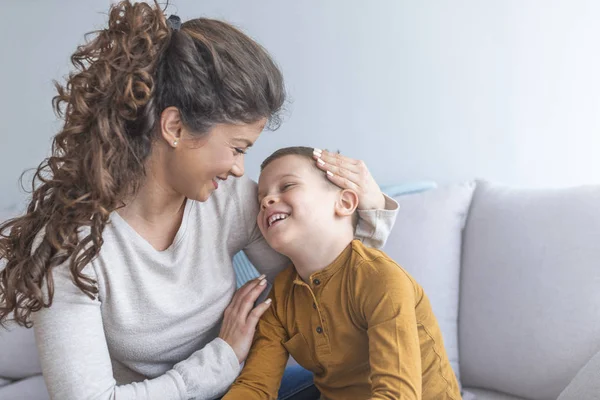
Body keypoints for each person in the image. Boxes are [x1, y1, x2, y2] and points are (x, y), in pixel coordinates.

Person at [0, 2, 399, 400]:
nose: (242, 170)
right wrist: (221, 357)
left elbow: (321, 292)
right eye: (238, 148)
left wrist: (371, 215)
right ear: (174, 127)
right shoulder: (72, 246)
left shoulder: (229, 201)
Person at [222, 147, 461, 400]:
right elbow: (255, 387)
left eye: (287, 186)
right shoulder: (281, 297)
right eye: (262, 200)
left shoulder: (380, 280)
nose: (267, 201)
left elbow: (396, 395)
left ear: (345, 203)